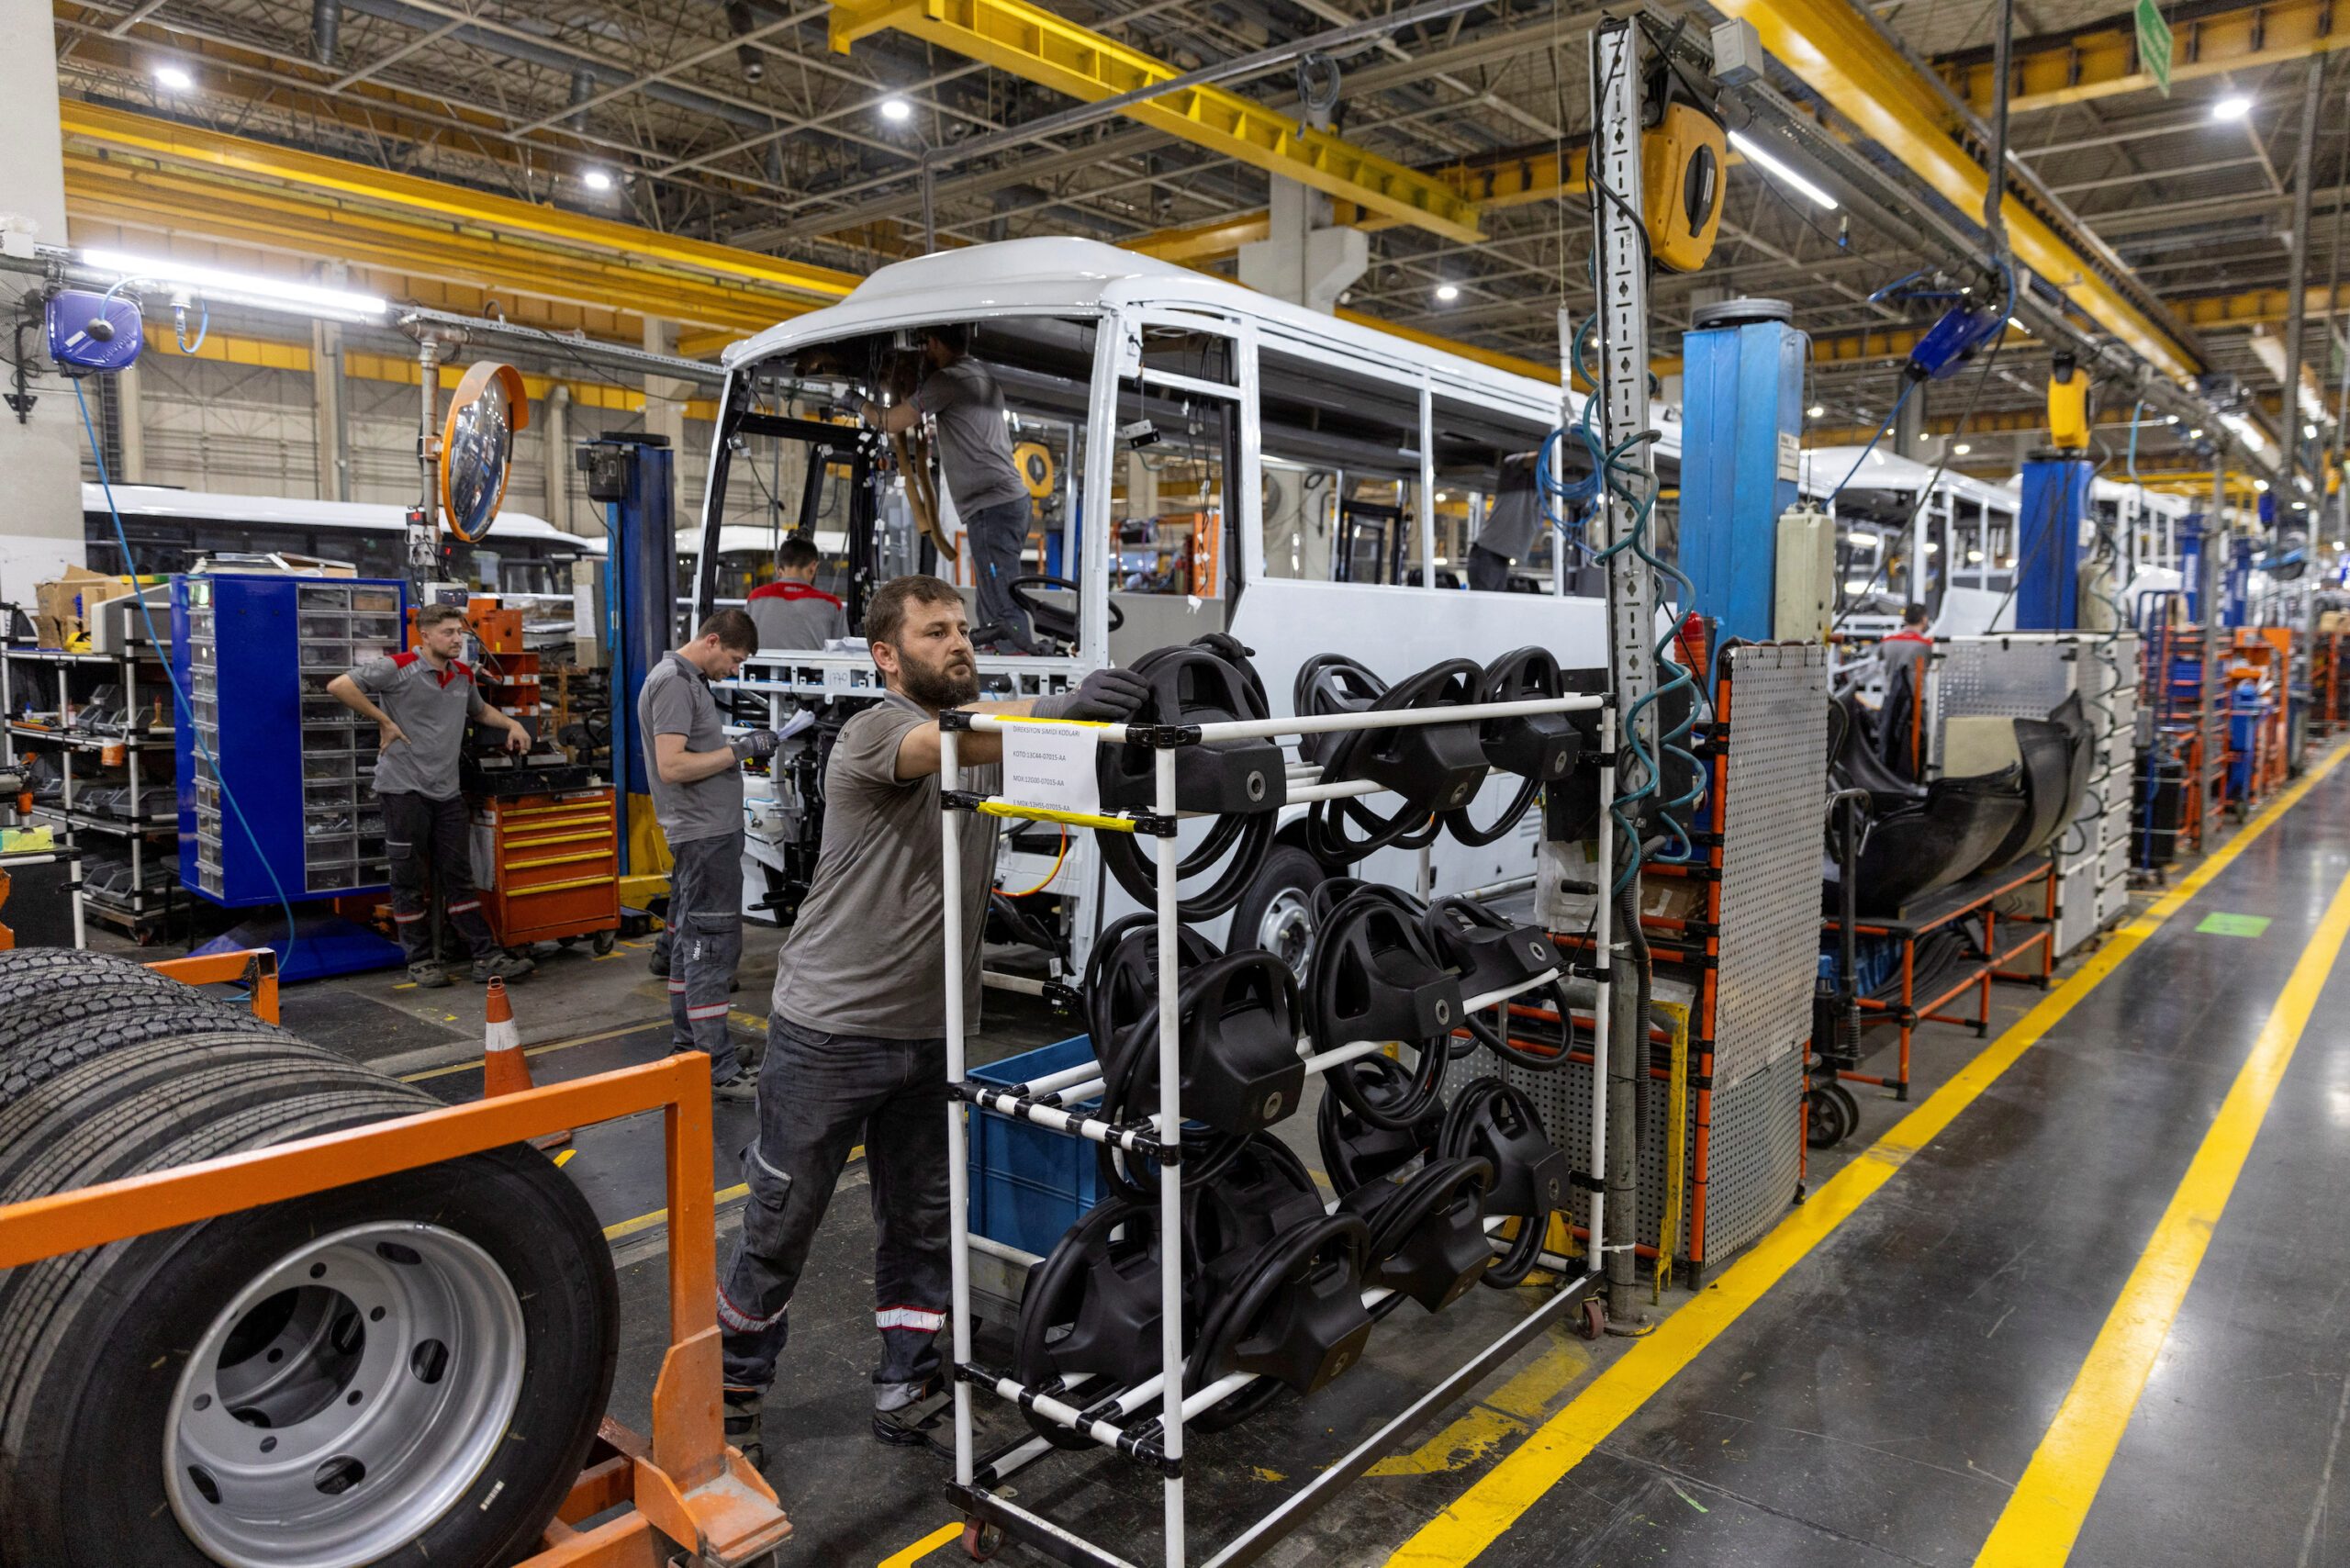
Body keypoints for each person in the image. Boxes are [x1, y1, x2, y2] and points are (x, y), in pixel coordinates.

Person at [715, 575, 1149, 1465]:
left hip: (931, 1032)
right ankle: (731, 1396)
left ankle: (907, 1381)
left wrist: (1106, 704)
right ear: (886, 655)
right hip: (829, 1029)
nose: (957, 643)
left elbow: (988, 718)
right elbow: (940, 742)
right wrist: (1058, 705)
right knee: (779, 1222)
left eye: (961, 629)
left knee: (920, 1222)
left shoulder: (975, 725)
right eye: (933, 632)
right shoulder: (874, 731)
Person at [328, 603, 535, 987]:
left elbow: (479, 711)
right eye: (448, 633)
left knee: (459, 876)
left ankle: (484, 956)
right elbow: (339, 685)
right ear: (425, 635)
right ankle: (420, 960)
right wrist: (385, 721)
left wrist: (511, 723)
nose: (457, 639)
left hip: (447, 791)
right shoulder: (399, 666)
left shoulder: (460, 675)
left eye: (460, 632)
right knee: (408, 877)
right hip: (403, 789)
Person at [640, 608, 776, 1101]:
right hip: (703, 836)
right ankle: (717, 1065)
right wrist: (740, 750)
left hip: (706, 834)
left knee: (688, 945)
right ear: (712, 640)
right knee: (711, 948)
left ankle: (691, 1049)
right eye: (735, 659)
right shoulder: (674, 682)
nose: (735, 670)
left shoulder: (688, 681)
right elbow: (672, 765)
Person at [851, 325, 1037, 654]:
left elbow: (892, 421)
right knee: (995, 591)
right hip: (1008, 501)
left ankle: (1015, 662)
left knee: (999, 597)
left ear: (934, 342)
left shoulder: (948, 380)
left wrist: (856, 403)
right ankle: (1002, 651)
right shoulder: (981, 376)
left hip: (992, 504)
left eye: (926, 345)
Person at [745, 537, 850, 650]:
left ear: (778, 570)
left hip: (760, 668)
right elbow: (843, 653)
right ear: (813, 567)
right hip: (813, 668)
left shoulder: (755, 598)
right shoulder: (831, 604)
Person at [1468, 451, 1540, 591]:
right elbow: (1540, 457)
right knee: (1485, 604)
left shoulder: (1535, 485)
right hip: (1487, 552)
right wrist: (1560, 447)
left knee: (1495, 604)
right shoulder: (1510, 467)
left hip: (1501, 556)